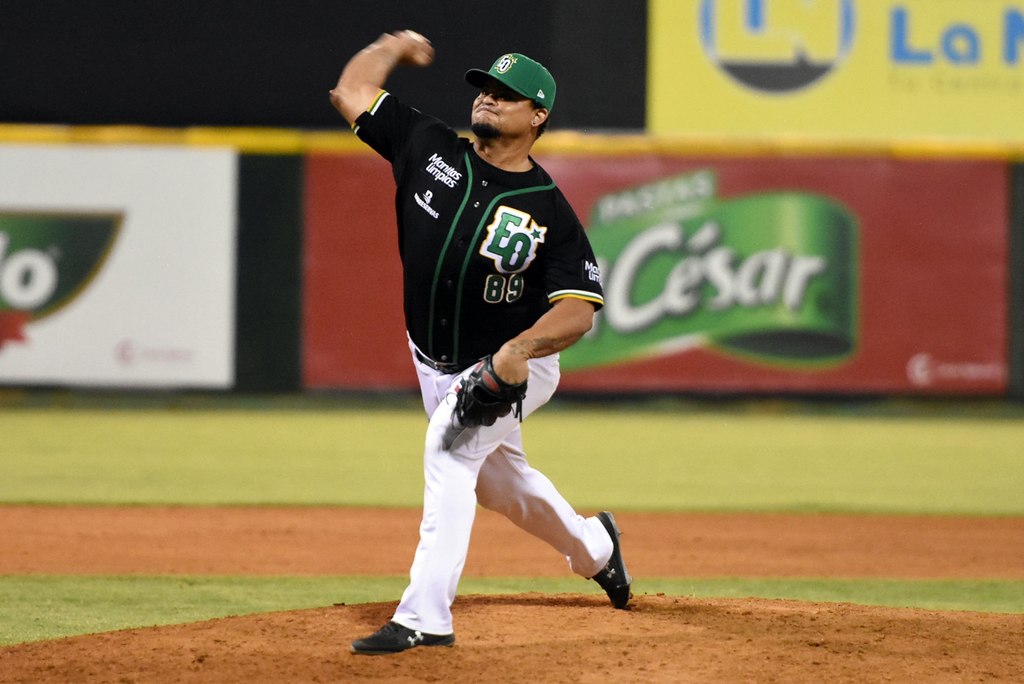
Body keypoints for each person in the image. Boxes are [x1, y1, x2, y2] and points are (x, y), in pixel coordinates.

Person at [330, 30, 632, 656]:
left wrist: (517, 351)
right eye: (486, 88)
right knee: (500, 486)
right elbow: (351, 91)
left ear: (538, 115)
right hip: (434, 361)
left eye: (507, 93)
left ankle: (425, 616)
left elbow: (578, 311)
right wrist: (392, 45)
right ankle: (596, 548)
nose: (489, 98)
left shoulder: (548, 209)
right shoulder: (427, 145)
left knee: (449, 451)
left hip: (515, 364)